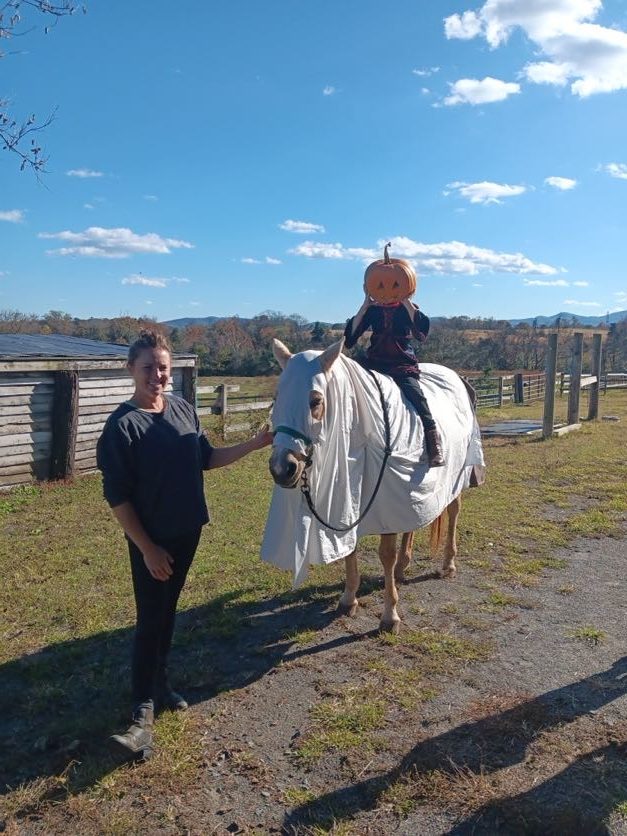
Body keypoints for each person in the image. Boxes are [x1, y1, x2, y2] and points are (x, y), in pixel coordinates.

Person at [96, 329, 273, 761]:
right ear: (131, 370)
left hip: (187, 531)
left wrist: (255, 444)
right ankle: (140, 716)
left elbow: (206, 458)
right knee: (150, 619)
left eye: (162, 367)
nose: (157, 375)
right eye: (148, 368)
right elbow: (117, 497)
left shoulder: (181, 410)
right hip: (152, 541)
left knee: (167, 610)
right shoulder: (122, 427)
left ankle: (160, 684)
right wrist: (147, 549)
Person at [344, 291, 445, 467]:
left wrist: (405, 301)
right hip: (375, 362)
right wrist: (364, 306)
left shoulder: (407, 310)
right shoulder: (373, 311)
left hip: (400, 364)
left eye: (394, 284)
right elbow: (349, 339)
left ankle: (433, 441)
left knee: (416, 395)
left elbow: (421, 333)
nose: (387, 288)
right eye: (380, 285)